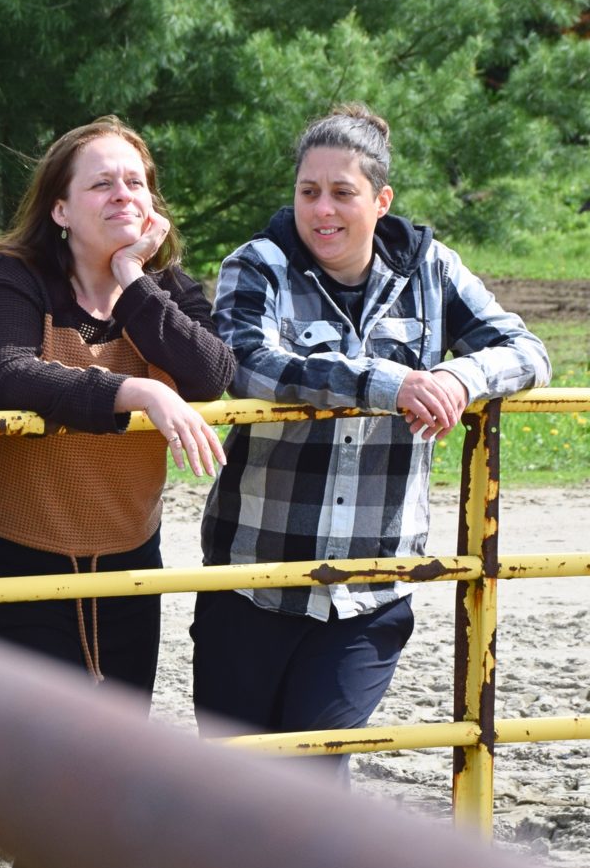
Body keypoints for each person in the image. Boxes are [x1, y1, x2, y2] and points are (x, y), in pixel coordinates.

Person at [0, 116, 234, 868]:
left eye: (136, 182)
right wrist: (134, 400)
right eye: (99, 185)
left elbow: (209, 371)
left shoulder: (163, 291)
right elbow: (9, 372)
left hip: (119, 561)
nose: (122, 197)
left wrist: (138, 284)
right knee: (53, 791)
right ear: (59, 207)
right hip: (8, 559)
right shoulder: (15, 280)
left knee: (102, 792)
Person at [194, 101, 550, 770]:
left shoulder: (433, 269)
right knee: (232, 783)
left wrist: (456, 377)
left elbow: (526, 351)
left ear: (381, 200)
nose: (322, 211)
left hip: (370, 590)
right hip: (253, 582)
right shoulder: (259, 265)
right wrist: (386, 383)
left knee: (315, 776)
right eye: (308, 192)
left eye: (342, 193)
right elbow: (246, 363)